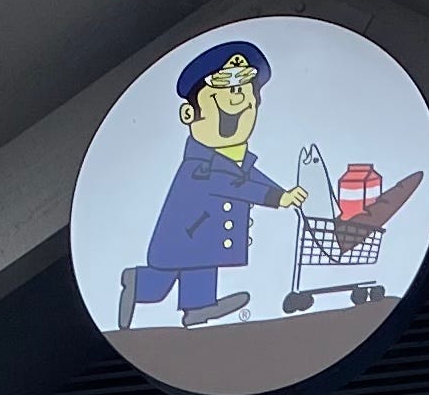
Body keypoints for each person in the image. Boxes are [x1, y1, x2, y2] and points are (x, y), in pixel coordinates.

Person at [119, 40, 308, 330]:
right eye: (225, 97)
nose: (239, 102)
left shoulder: (234, 160)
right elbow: (232, 185)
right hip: (187, 234)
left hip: (201, 237)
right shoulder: (201, 164)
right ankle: (143, 285)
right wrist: (274, 198)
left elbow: (248, 177)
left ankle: (194, 307)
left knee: (193, 268)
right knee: (166, 280)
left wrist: (280, 192)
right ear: (188, 115)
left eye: (246, 98)